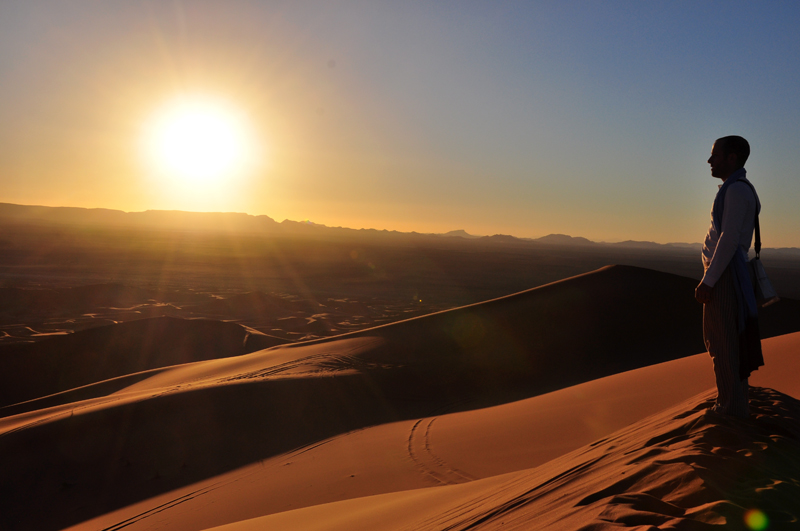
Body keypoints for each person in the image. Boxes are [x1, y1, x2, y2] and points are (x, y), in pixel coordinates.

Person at [694, 135, 760, 419]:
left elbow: (729, 238)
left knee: (723, 344)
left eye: (715, 155)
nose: (710, 160)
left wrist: (709, 281)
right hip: (727, 275)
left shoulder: (737, 191)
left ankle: (730, 410)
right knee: (724, 343)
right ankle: (733, 405)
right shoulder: (735, 189)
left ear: (731, 158)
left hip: (724, 277)